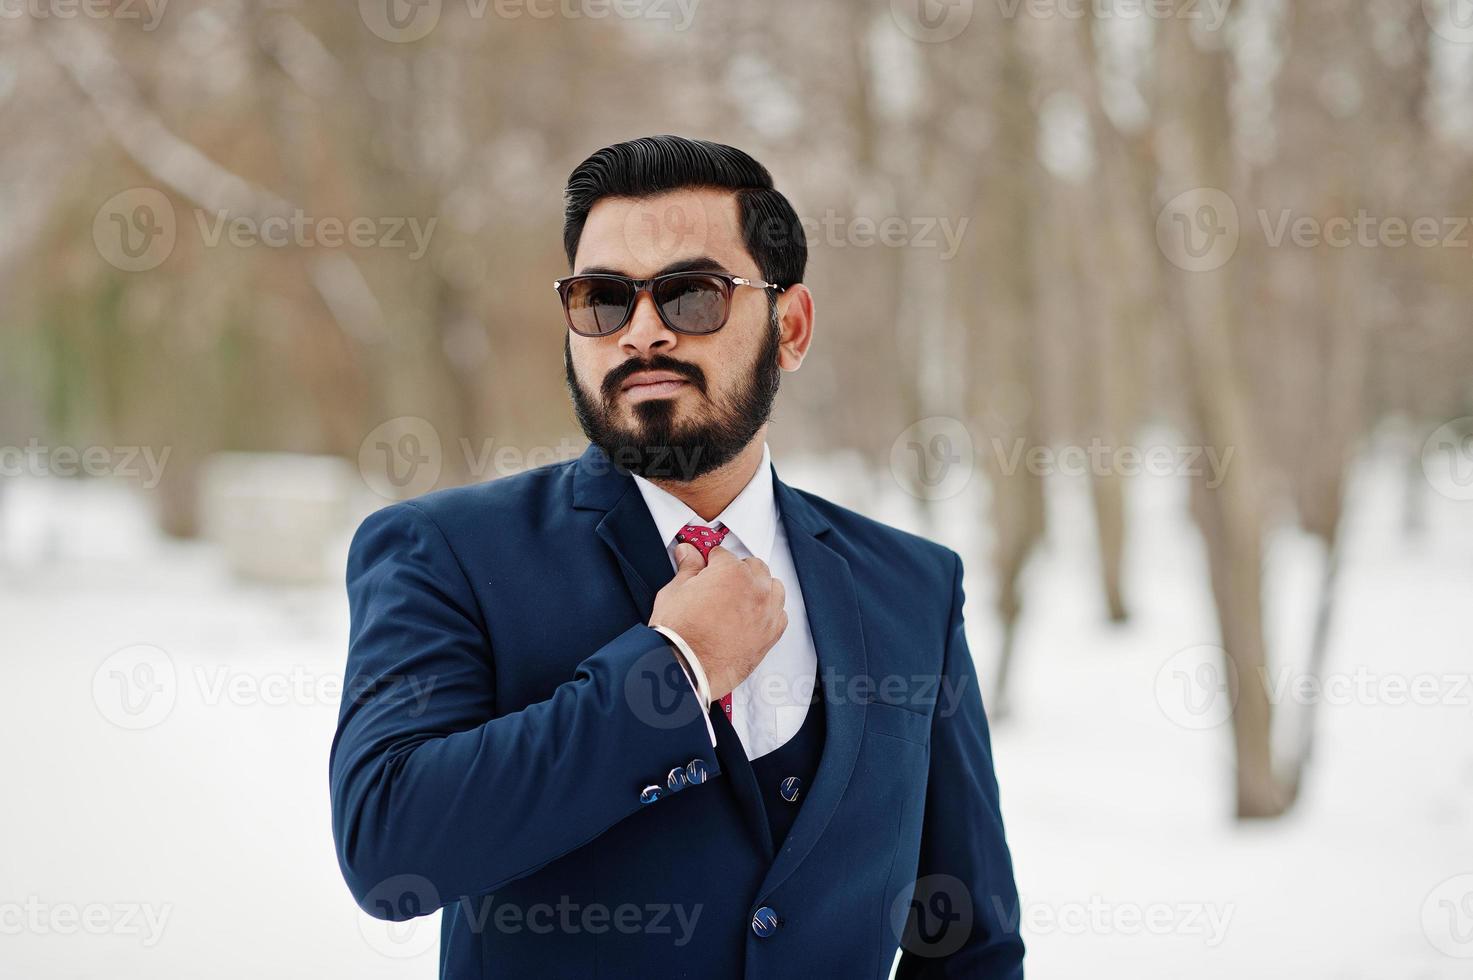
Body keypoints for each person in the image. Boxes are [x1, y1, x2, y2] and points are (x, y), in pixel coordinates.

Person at [329, 135, 1024, 978]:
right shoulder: (446, 553)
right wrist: (676, 667)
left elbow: (966, 938)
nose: (643, 332)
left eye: (691, 295)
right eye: (603, 300)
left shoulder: (910, 584)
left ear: (791, 327)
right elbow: (388, 847)